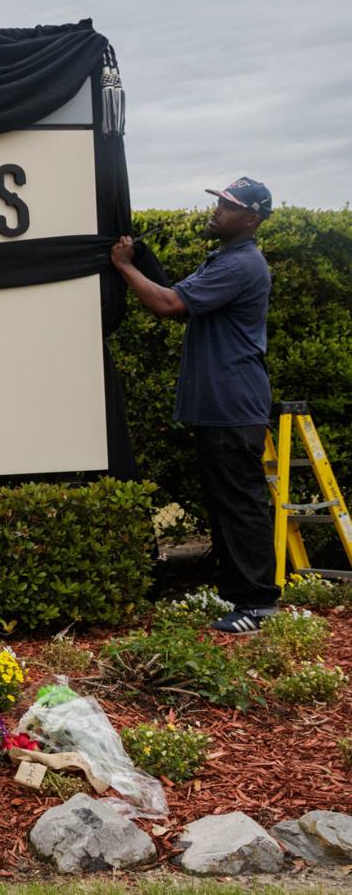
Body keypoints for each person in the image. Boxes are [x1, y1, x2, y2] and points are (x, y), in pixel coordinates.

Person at [111, 177, 277, 633]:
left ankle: (258, 605)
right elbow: (176, 296)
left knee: (241, 504)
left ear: (252, 218)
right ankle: (237, 595)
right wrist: (142, 259)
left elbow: (166, 305)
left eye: (229, 205)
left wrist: (125, 266)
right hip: (220, 405)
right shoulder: (224, 259)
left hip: (232, 404)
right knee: (227, 503)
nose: (217, 210)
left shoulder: (241, 264)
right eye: (219, 202)